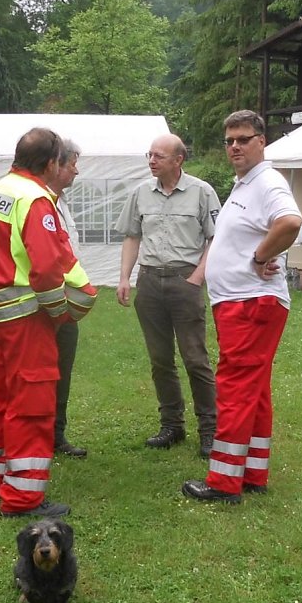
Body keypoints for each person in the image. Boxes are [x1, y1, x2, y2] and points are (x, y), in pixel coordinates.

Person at [0, 127, 97, 518]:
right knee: (32, 405)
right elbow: (45, 269)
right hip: (27, 316)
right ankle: (23, 497)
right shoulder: (34, 198)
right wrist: (61, 312)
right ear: (52, 163)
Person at [182, 110, 302, 504]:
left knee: (234, 387)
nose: (234, 146)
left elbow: (289, 222)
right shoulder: (244, 184)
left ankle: (222, 481)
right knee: (255, 389)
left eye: (243, 139)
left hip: (250, 302)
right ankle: (252, 471)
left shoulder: (267, 182)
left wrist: (259, 256)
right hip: (241, 301)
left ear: (261, 141)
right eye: (229, 140)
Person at [115, 133, 220, 458]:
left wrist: (196, 278)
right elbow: (132, 236)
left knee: (195, 359)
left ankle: (210, 430)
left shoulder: (202, 192)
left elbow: (216, 239)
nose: (151, 161)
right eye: (150, 155)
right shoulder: (140, 193)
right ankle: (172, 425)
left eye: (159, 156)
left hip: (184, 281)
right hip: (149, 282)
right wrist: (124, 278)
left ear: (178, 160)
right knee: (160, 360)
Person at [50, 139, 88, 458]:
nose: (77, 169)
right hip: (45, 306)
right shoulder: (38, 203)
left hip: (66, 305)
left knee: (63, 370)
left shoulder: (61, 202)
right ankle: (36, 435)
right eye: (72, 163)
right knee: (43, 373)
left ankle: (55, 434)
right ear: (56, 165)